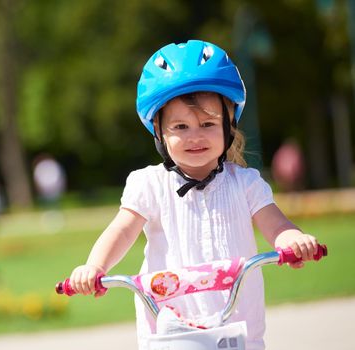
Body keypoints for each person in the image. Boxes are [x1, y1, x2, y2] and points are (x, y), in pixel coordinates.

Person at [67, 40, 319, 350]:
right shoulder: (149, 185)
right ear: (159, 132)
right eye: (181, 126)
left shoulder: (246, 184)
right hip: (170, 330)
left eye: (208, 124)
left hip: (237, 329)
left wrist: (292, 240)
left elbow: (275, 224)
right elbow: (121, 230)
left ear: (229, 127)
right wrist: (95, 267)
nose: (195, 135)